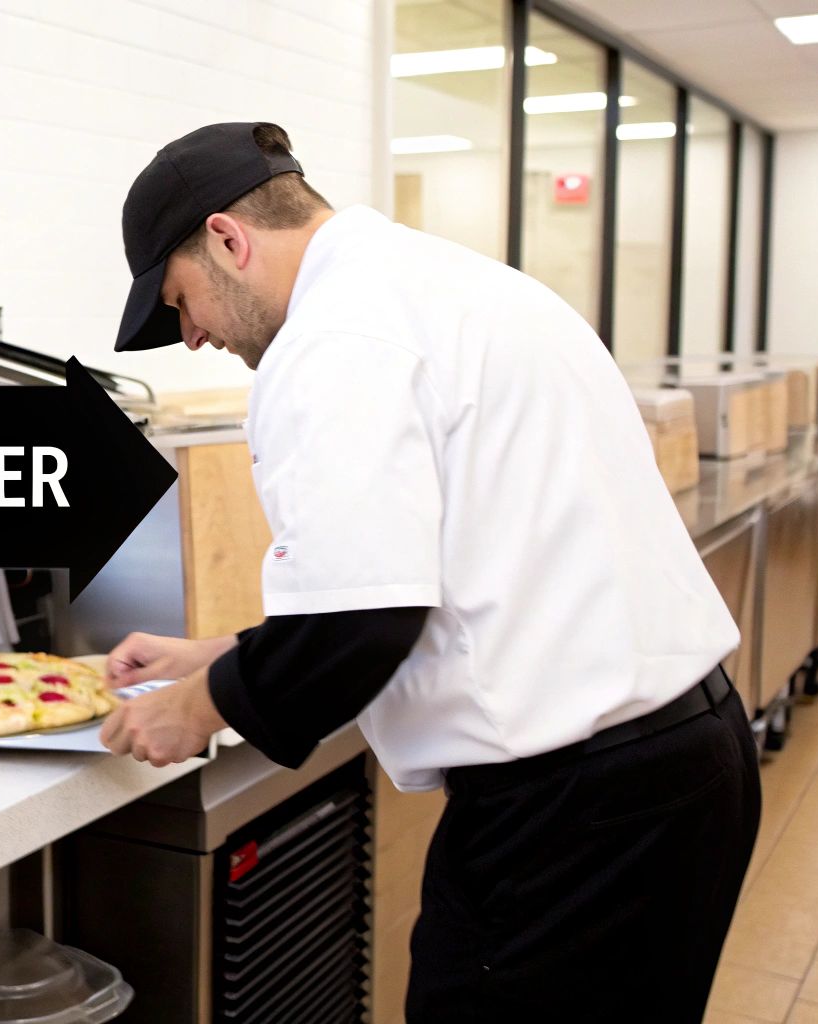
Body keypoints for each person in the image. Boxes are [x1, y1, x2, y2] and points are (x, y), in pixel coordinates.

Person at [96, 121, 760, 1022]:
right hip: (680, 764)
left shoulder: (334, 343)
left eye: (180, 303)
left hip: (576, 810)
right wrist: (219, 655)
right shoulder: (447, 284)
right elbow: (439, 571)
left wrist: (198, 708)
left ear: (227, 239)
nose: (192, 339)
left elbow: (360, 624)